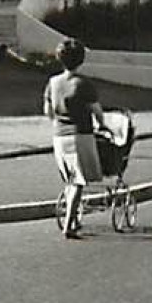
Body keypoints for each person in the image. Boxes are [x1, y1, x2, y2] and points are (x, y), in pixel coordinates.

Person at [43, 38, 103, 239]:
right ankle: (69, 225)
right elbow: (96, 110)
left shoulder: (53, 82)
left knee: (69, 180)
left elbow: (48, 111)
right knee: (78, 181)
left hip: (59, 136)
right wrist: (102, 125)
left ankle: (75, 218)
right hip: (80, 135)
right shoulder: (83, 84)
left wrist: (59, 120)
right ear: (81, 60)